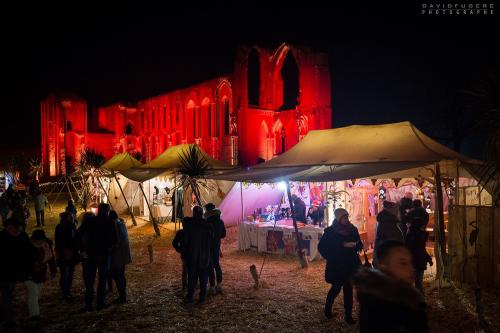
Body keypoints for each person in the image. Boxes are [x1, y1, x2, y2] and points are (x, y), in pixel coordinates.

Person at [352, 240, 429, 333]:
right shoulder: (377, 306)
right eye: (403, 263)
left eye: (411, 262)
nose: (411, 269)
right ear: (384, 267)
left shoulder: (409, 295)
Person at [318, 208, 362, 324]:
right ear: (338, 218)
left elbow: (359, 244)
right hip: (337, 265)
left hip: (350, 264)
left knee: (348, 289)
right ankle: (327, 311)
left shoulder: (352, 229)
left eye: (347, 217)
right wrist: (332, 255)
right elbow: (322, 247)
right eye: (344, 218)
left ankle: (348, 316)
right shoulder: (330, 232)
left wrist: (356, 245)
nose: (347, 220)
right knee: (335, 288)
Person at [0, 217, 36, 331]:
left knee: (9, 295)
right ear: (8, 227)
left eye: (19, 229)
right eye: (15, 229)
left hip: (16, 271)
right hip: (4, 272)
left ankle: (8, 317)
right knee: (7, 295)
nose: (17, 231)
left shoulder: (23, 236)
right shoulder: (2, 237)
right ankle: (8, 319)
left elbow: (30, 253)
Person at [82, 203, 117, 311]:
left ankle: (88, 304)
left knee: (90, 280)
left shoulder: (90, 221)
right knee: (102, 280)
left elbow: (81, 234)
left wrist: (84, 248)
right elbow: (114, 239)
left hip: (91, 254)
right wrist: (110, 248)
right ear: (107, 211)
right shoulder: (109, 222)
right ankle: (100, 303)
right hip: (103, 254)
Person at [183, 206, 213, 304]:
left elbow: (185, 241)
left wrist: (184, 253)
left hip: (193, 256)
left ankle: (191, 295)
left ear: (194, 213)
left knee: (192, 277)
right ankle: (201, 296)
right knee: (202, 277)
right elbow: (211, 240)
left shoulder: (190, 225)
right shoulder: (207, 225)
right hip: (203, 256)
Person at [25, 230, 57, 320]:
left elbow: (51, 259)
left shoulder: (46, 246)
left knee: (37, 292)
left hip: (41, 272)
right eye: (37, 240)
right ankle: (34, 315)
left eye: (41, 240)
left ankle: (31, 306)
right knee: (33, 292)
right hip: (28, 273)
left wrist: (53, 270)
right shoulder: (27, 246)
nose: (39, 242)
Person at [406, 200, 433, 294]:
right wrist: (428, 258)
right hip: (420, 261)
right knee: (419, 283)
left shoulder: (410, 235)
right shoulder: (422, 234)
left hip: (413, 262)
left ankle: (413, 302)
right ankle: (420, 301)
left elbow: (408, 248)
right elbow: (421, 248)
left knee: (410, 282)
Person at [374, 201, 406, 266]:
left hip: (386, 258)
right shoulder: (388, 223)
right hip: (387, 260)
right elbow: (392, 242)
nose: (398, 212)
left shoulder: (388, 221)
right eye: (396, 210)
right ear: (391, 211)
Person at [109, 211, 131, 304]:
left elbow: (117, 242)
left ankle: (122, 297)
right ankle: (122, 295)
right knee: (120, 275)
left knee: (118, 276)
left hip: (118, 256)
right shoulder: (121, 224)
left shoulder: (115, 226)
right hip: (122, 255)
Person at [55, 212, 78, 300]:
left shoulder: (61, 226)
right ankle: (66, 292)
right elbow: (67, 241)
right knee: (66, 274)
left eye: (72, 217)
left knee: (66, 273)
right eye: (71, 217)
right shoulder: (67, 227)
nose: (73, 218)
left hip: (65, 253)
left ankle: (66, 291)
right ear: (66, 218)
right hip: (67, 253)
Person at [204, 203, 226, 295]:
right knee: (216, 264)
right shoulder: (220, 221)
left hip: (208, 246)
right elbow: (223, 234)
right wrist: (217, 236)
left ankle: (212, 286)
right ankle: (219, 285)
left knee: (209, 266)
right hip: (216, 245)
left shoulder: (206, 222)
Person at [172, 219, 189, 291]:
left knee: (185, 270)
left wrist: (179, 249)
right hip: (192, 254)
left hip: (184, 254)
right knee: (191, 270)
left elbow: (174, 243)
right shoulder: (192, 232)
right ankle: (190, 285)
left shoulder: (180, 232)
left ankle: (184, 286)